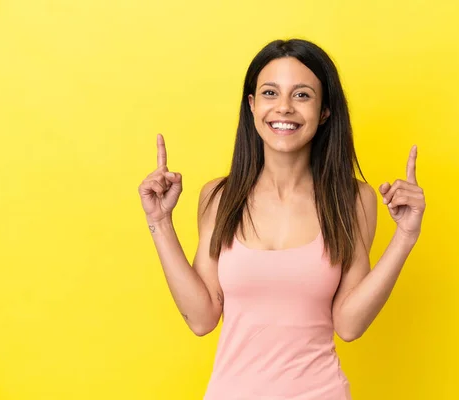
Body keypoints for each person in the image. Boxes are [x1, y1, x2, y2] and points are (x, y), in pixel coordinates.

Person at [138, 38, 426, 400]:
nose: (284, 108)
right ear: (252, 105)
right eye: (271, 93)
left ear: (324, 111)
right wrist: (160, 223)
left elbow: (349, 325)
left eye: (302, 95)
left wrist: (405, 237)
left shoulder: (352, 200)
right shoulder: (219, 197)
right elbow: (202, 318)